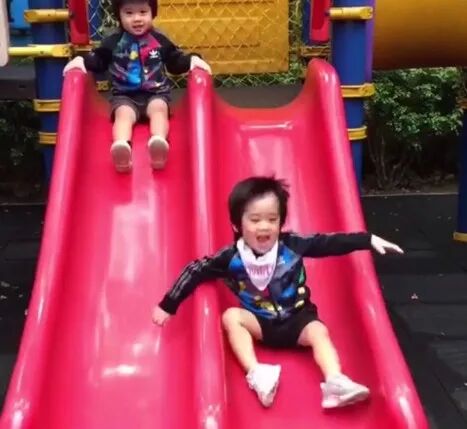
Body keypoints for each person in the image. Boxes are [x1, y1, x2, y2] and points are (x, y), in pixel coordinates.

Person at [152, 176, 404, 408]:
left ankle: (335, 381)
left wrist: (367, 239)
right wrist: (168, 304)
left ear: (281, 223)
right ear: (237, 225)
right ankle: (257, 374)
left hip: (298, 320)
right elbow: (196, 269)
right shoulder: (231, 258)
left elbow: (328, 243)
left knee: (319, 331)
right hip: (261, 323)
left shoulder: (291, 246)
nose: (264, 226)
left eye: (272, 220)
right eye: (255, 220)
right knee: (231, 317)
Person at [63, 0, 211, 172]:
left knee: (159, 110)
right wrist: (82, 61)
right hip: (125, 96)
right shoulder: (113, 41)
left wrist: (191, 60)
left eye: (143, 12)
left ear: (152, 13)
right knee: (123, 115)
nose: (137, 19)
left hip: (155, 93)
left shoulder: (159, 40)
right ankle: (121, 147)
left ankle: (158, 143)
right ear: (119, 16)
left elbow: (174, 61)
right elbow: (99, 60)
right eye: (129, 13)